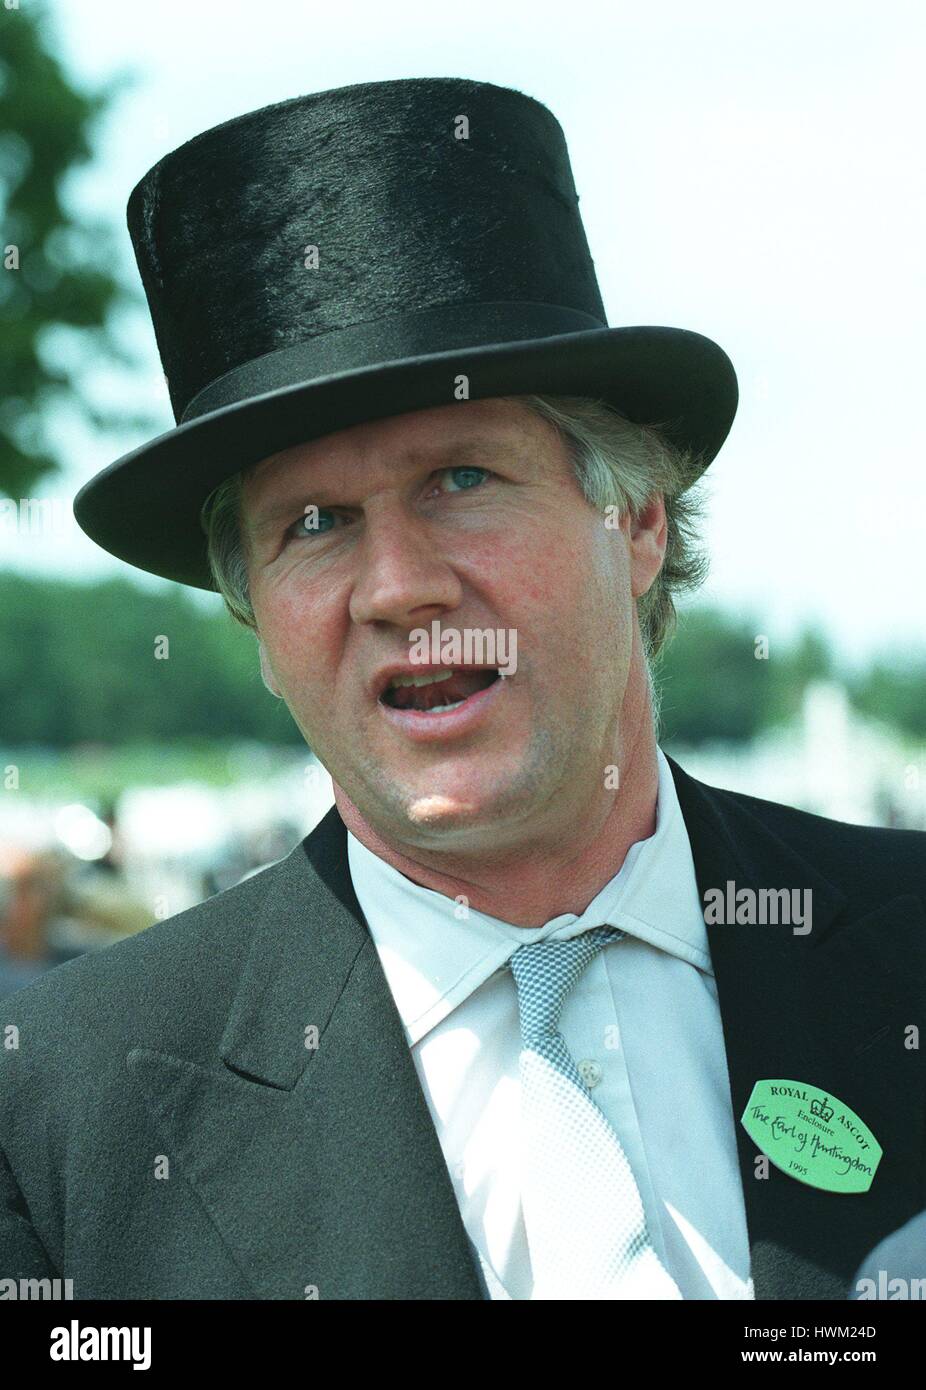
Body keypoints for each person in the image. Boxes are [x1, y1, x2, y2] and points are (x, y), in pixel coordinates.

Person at [1, 77, 923, 1301]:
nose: (395, 587)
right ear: (255, 620)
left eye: (461, 480)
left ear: (636, 518)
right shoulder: (68, 1109)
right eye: (315, 522)